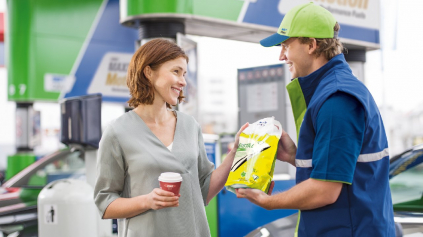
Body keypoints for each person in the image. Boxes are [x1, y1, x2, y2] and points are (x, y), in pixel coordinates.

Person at [235, 2, 395, 236]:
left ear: (311, 44)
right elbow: (339, 168)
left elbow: (324, 190)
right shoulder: (333, 92)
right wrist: (294, 156)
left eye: (286, 45)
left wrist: (268, 202)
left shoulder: (336, 100)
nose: (281, 56)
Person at [93, 38, 248, 237]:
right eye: (175, 72)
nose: (183, 81)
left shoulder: (190, 126)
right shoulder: (117, 132)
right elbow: (104, 203)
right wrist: (147, 201)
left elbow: (203, 192)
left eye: (184, 74)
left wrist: (235, 153)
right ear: (148, 72)